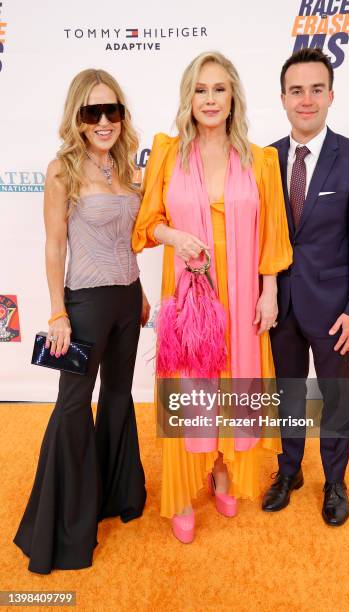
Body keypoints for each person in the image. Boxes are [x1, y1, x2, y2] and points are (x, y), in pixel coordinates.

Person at [133, 51, 292, 543]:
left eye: (219, 89)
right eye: (200, 89)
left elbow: (273, 234)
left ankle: (222, 472)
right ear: (189, 97)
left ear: (233, 97)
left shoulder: (260, 159)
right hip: (189, 299)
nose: (209, 99)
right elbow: (145, 226)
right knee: (188, 388)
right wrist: (177, 238)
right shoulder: (167, 151)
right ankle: (181, 492)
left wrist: (269, 294)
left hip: (243, 295)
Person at [14, 69, 149, 573]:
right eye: (93, 112)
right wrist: (57, 312)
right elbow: (55, 245)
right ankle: (66, 528)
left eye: (112, 110)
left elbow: (127, 238)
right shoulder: (61, 170)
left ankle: (114, 497)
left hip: (127, 299)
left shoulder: (126, 166)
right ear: (77, 116)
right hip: (85, 305)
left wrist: (141, 291)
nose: (104, 121)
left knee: (118, 395)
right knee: (73, 406)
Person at [262, 48, 349, 525]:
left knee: (335, 396)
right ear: (283, 98)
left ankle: (334, 481)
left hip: (335, 309)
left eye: (316, 89)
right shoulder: (264, 159)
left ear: (330, 95)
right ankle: (288, 470)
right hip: (280, 306)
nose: (306, 100)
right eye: (297, 91)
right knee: (288, 393)